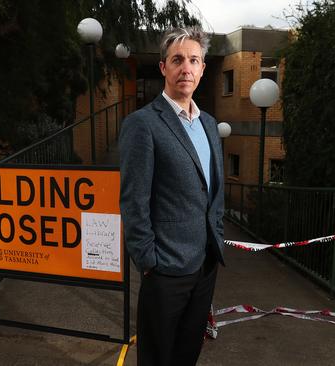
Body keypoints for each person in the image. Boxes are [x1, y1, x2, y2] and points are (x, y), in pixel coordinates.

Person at [119, 27, 225, 366]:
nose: (186, 68)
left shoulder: (209, 124)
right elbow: (134, 201)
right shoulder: (143, 124)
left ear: (203, 69)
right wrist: (148, 261)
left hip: (205, 265)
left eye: (194, 60)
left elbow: (215, 191)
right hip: (165, 269)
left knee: (187, 353)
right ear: (164, 67)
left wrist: (216, 237)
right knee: (157, 357)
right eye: (178, 60)